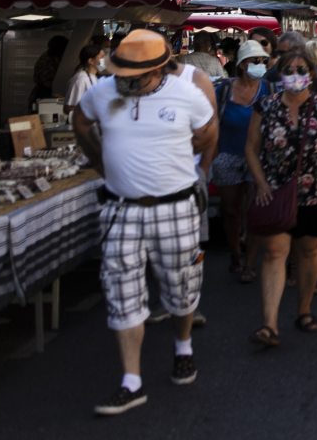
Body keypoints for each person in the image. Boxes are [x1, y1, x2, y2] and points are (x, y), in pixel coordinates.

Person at [71, 29, 216, 415]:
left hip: (176, 207)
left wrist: (191, 164)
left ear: (158, 70)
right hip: (122, 209)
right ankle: (131, 381)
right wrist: (101, 162)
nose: (124, 82)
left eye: (133, 76)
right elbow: (81, 121)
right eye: (120, 73)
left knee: (182, 287)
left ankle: (183, 346)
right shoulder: (104, 92)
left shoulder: (186, 93)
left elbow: (207, 129)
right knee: (121, 292)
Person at [244, 50, 317, 345]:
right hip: (275, 191)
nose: (294, 75)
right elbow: (251, 148)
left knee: (308, 252)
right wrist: (261, 182)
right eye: (287, 70)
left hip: (316, 192)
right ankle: (269, 324)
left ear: (311, 75)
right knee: (276, 252)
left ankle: (304, 310)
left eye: (300, 69)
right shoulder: (266, 107)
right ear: (279, 75)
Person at [213, 41, 269, 280]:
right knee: (230, 209)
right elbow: (211, 123)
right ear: (243, 64)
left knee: (254, 210)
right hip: (227, 155)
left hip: (257, 157)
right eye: (255, 61)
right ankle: (236, 253)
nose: (260, 65)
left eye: (263, 61)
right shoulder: (224, 91)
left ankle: (249, 262)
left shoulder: (268, 89)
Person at [28, 34, 69, 109]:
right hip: (43, 96)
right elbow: (47, 82)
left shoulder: (48, 56)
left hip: (40, 95)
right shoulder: (50, 60)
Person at [63, 44, 101, 111]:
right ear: (91, 61)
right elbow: (68, 108)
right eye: (102, 57)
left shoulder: (94, 77)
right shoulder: (81, 79)